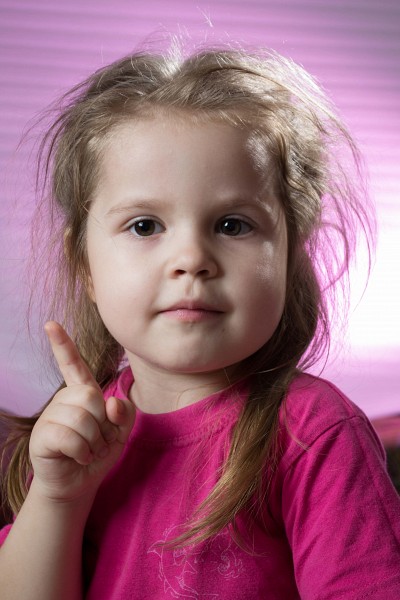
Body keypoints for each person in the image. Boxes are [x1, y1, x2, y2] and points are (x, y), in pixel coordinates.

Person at [0, 43, 399, 600]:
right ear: (85, 266)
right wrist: (57, 497)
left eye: (233, 225)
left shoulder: (313, 431)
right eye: (144, 226)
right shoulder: (73, 436)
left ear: (291, 257)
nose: (191, 259)